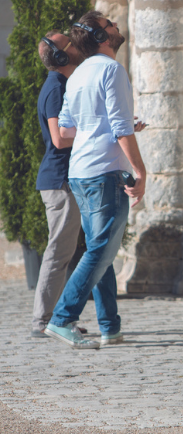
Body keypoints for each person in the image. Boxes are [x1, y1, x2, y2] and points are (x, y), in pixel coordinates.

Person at [44, 11, 146, 350]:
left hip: (80, 172)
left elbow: (68, 129)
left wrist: (116, 126)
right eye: (108, 23)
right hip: (104, 172)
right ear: (102, 37)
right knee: (101, 249)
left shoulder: (77, 76)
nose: (116, 22)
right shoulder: (112, 69)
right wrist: (141, 171)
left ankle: (110, 326)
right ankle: (62, 319)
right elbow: (119, 128)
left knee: (99, 250)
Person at [31, 31, 85, 338]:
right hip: (59, 181)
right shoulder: (55, 88)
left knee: (65, 252)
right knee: (58, 251)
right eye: (71, 44)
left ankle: (57, 318)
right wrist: (97, 131)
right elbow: (59, 138)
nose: (78, 46)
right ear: (63, 56)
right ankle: (43, 321)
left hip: (64, 179)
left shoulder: (64, 84)